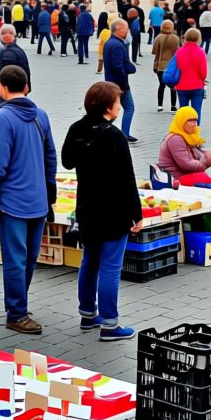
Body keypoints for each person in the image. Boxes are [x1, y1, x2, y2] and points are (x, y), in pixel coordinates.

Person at [62, 82, 143, 340]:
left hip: (86, 208)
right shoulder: (114, 136)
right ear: (109, 107)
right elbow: (127, 178)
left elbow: (67, 161)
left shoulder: (77, 128)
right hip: (113, 211)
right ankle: (110, 324)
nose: (120, 105)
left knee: (90, 260)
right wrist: (136, 213)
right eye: (118, 102)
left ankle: (88, 314)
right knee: (109, 266)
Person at [0, 64, 56, 335]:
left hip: (13, 201)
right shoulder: (41, 116)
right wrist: (50, 191)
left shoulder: (2, 118)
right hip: (38, 199)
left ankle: (16, 312)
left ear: (1, 86)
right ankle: (19, 304)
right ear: (25, 87)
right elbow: (51, 157)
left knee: (14, 258)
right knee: (30, 258)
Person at [157, 106, 211, 187]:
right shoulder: (175, 139)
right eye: (190, 121)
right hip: (176, 179)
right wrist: (206, 162)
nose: (194, 124)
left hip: (186, 175)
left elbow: (198, 156)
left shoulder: (189, 136)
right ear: (181, 121)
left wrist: (207, 155)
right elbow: (186, 164)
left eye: (195, 120)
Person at [172, 28, 209, 118]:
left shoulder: (179, 51)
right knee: (196, 112)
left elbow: (175, 68)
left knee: (183, 111)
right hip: (197, 86)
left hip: (181, 86)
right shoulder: (201, 52)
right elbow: (203, 73)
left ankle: (183, 130)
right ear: (198, 38)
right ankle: (195, 130)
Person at [150, 21, 181, 112]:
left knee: (161, 85)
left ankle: (160, 105)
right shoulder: (176, 38)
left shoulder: (158, 37)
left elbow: (154, 51)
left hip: (160, 65)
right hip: (172, 66)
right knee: (173, 86)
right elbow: (179, 52)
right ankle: (173, 106)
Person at [0, 24, 31, 91]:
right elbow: (26, 70)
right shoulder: (19, 50)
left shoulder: (5, 54)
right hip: (19, 90)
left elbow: (3, 75)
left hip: (9, 91)